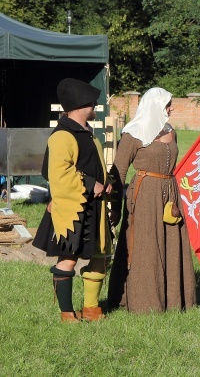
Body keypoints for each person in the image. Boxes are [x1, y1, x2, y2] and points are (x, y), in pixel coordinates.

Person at [107, 88, 197, 313]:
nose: (172, 108)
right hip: (145, 195)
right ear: (155, 106)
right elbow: (118, 171)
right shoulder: (133, 133)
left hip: (170, 192)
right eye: (167, 104)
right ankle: (145, 302)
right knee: (146, 247)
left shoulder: (171, 131)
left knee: (171, 242)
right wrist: (115, 208)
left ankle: (174, 299)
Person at [32, 78, 112, 322]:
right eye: (91, 102)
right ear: (79, 104)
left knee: (100, 256)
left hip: (94, 207)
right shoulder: (63, 135)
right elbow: (56, 172)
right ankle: (67, 312)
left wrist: (106, 181)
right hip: (73, 208)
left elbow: (95, 165)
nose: (95, 105)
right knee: (68, 258)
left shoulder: (88, 133)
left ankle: (91, 309)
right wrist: (90, 183)